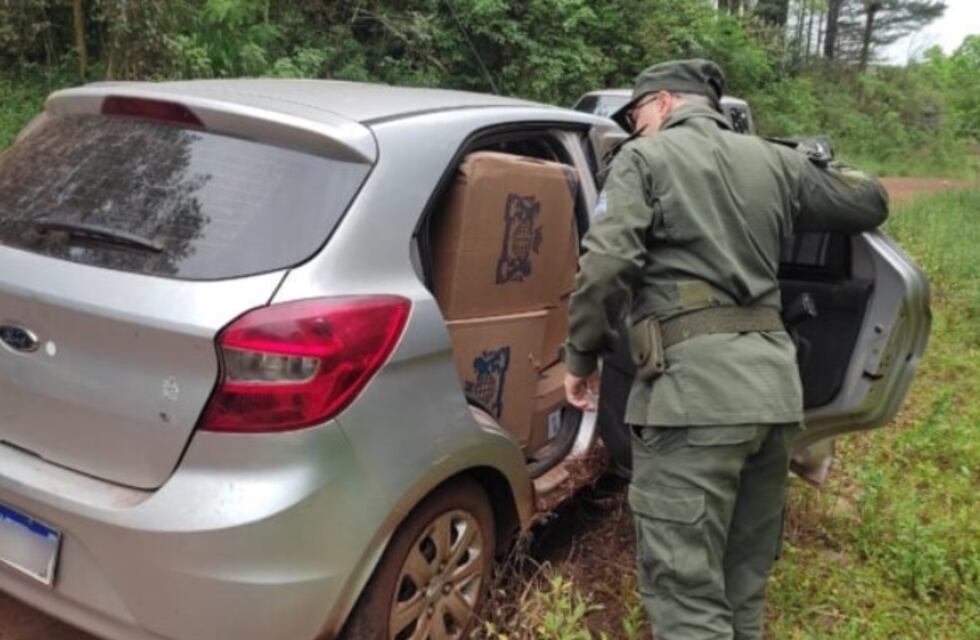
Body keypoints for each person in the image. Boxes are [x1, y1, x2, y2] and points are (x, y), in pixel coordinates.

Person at [562, 59, 888, 640]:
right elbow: (869, 201)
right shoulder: (776, 161)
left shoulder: (643, 159)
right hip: (773, 397)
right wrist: (809, 156)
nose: (636, 128)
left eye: (637, 115)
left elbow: (606, 267)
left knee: (685, 596)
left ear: (662, 102)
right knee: (742, 582)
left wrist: (580, 358)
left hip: (692, 399)